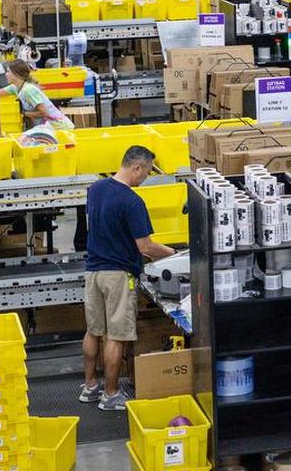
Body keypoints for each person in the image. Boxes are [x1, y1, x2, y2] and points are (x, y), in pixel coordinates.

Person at [80, 146, 176, 410]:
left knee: (93, 330)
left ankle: (90, 387)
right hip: (118, 275)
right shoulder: (132, 201)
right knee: (116, 336)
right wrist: (176, 255)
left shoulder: (96, 189)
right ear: (137, 167)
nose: (145, 178)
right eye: (146, 172)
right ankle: (110, 395)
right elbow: (145, 247)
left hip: (93, 270)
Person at [0, 60, 75, 131]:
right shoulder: (15, 87)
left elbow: (45, 113)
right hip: (48, 128)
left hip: (60, 128)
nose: (6, 75)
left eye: (8, 71)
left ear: (16, 74)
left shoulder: (28, 90)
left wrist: (25, 114)